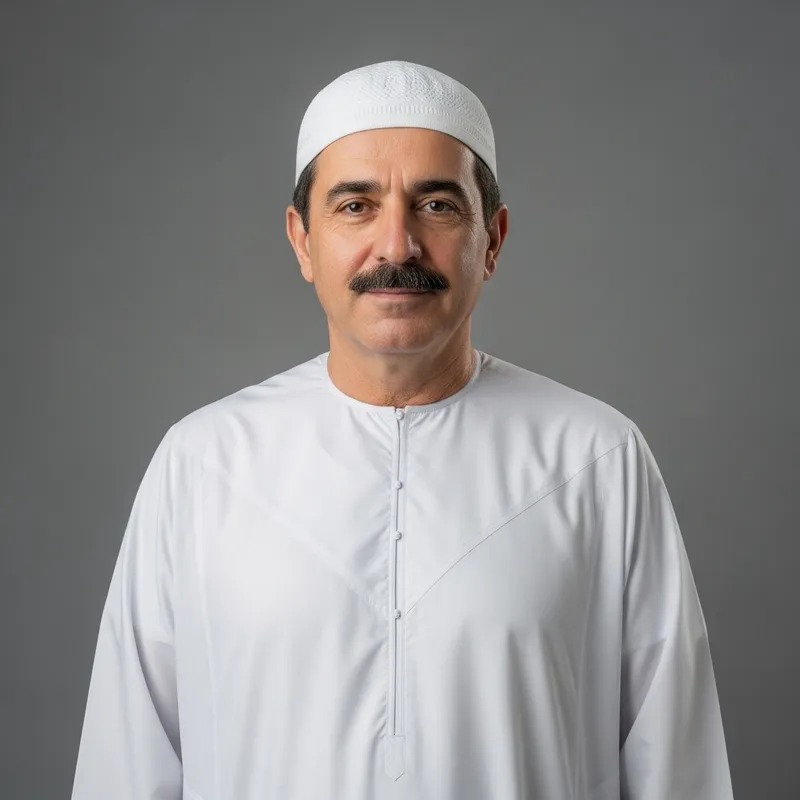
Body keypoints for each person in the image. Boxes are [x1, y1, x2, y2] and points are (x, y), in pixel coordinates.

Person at [71, 60, 734, 799]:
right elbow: (127, 765)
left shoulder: (597, 460)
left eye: (437, 206)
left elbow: (679, 767)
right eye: (355, 206)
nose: (396, 246)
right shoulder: (203, 464)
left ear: (494, 238)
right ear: (301, 239)